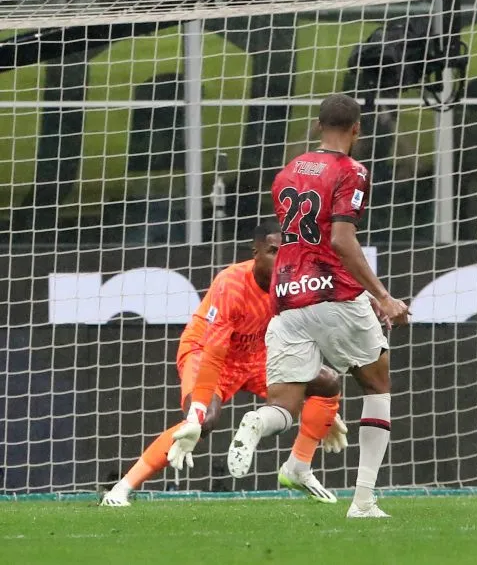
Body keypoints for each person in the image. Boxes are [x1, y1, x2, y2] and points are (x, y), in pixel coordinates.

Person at [226, 94, 409, 519]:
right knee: (378, 387)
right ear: (357, 129)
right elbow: (341, 241)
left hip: (288, 295)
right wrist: (381, 296)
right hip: (333, 294)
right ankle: (363, 501)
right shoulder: (352, 171)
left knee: (283, 404)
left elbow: (302, 240)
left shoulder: (287, 172)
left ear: (315, 125)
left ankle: (262, 426)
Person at [100, 221, 347, 507]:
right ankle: (121, 488)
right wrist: (197, 413)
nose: (284, 261)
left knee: (327, 383)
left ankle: (299, 468)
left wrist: (321, 412)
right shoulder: (231, 284)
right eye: (274, 252)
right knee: (202, 422)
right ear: (256, 252)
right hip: (205, 352)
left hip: (258, 356)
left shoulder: (298, 286)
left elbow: (303, 342)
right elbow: (214, 352)